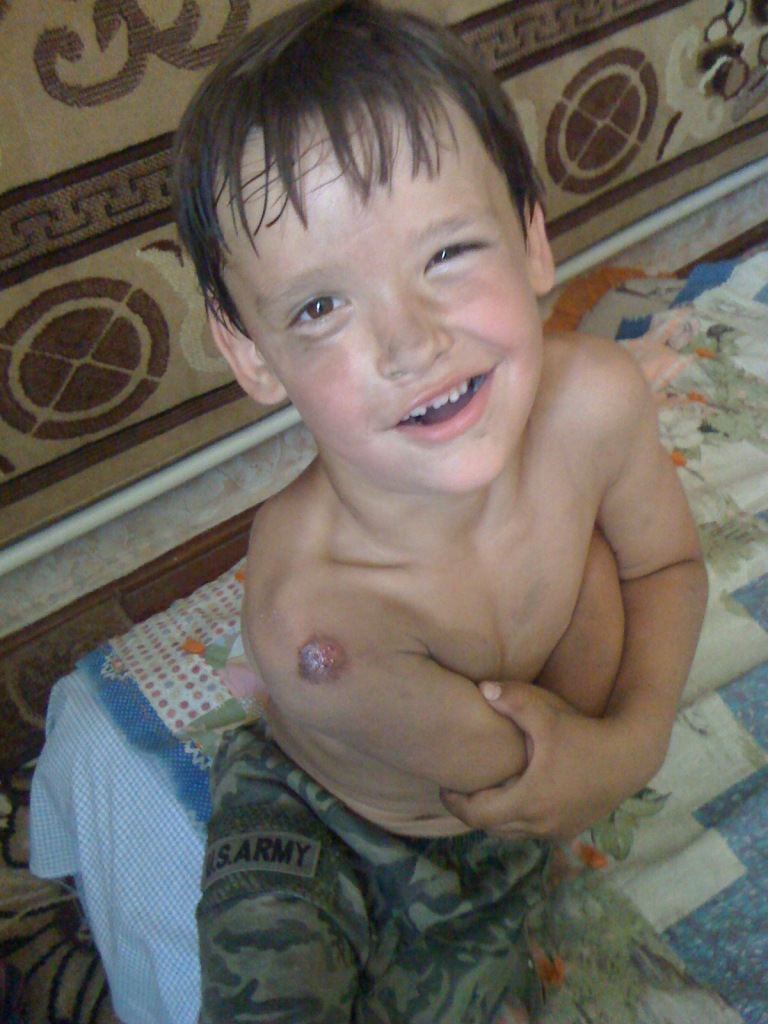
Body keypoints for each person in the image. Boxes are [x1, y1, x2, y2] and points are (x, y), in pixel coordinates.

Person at [172, 1, 708, 1020]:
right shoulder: (318, 626)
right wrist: (594, 750)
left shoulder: (597, 404)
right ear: (251, 353)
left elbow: (670, 569)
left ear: (534, 239)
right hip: (318, 821)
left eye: (448, 252)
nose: (410, 343)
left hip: (495, 829)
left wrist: (634, 740)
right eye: (320, 307)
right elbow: (527, 777)